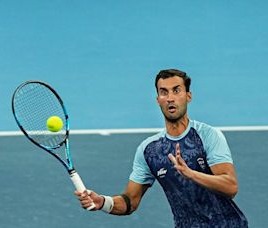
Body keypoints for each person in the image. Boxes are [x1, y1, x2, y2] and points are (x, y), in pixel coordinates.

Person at [75, 69, 249, 227]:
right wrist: (102, 202)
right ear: (158, 100)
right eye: (163, 92)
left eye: (176, 90)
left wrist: (191, 174)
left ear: (188, 96)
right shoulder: (149, 150)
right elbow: (130, 201)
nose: (170, 98)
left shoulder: (207, 135)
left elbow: (231, 186)